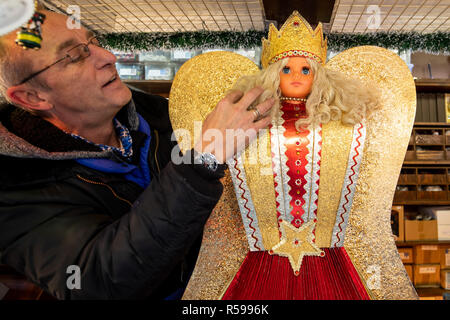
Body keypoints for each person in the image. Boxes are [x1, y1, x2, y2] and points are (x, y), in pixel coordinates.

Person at [0, 9, 274, 299]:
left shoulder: (158, 114)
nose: (108, 57)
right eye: (75, 56)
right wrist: (203, 159)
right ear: (32, 97)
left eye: (92, 41)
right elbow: (98, 281)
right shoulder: (15, 189)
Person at [178, 11, 418, 300]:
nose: (294, 76)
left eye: (305, 70)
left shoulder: (343, 125)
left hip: (333, 258)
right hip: (257, 259)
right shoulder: (251, 124)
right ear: (271, 73)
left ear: (319, 75)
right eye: (285, 69)